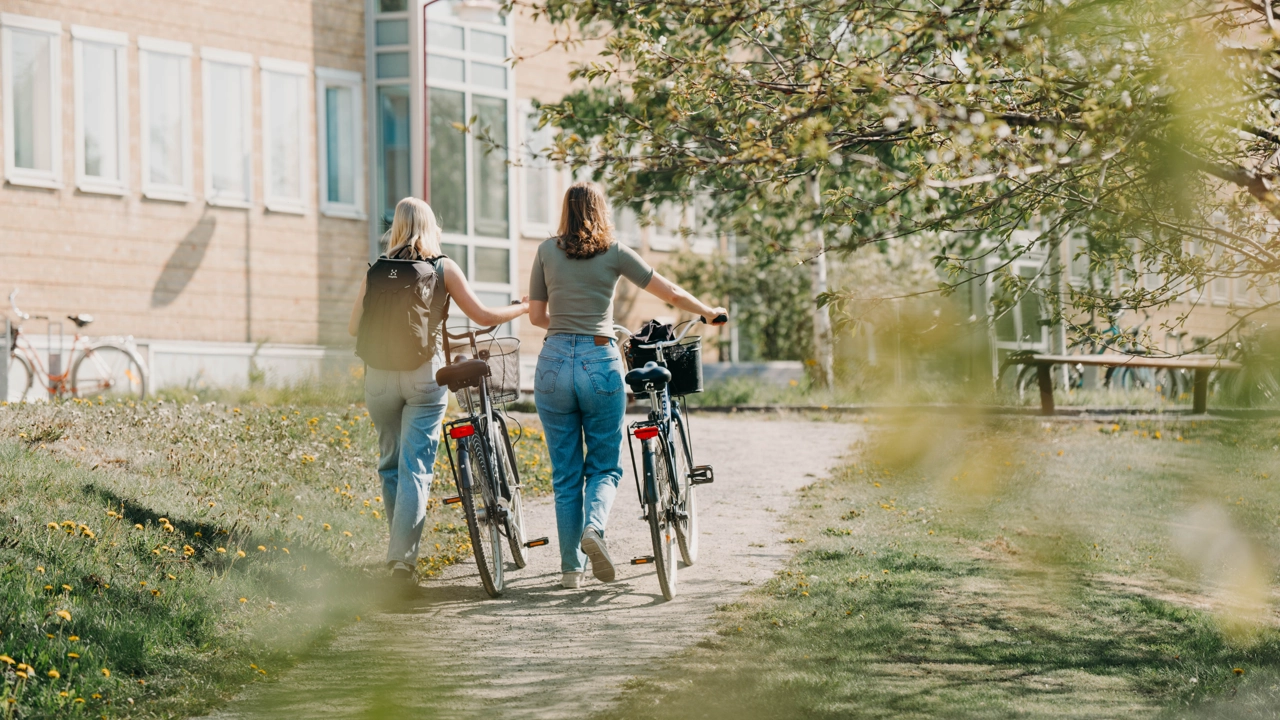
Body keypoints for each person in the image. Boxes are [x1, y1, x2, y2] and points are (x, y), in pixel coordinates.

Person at [529, 182, 727, 589]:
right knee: (603, 464)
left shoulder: (546, 251)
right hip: (599, 360)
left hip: (550, 363)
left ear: (566, 210)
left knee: (565, 474)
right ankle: (594, 529)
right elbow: (667, 290)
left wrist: (567, 330)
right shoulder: (614, 252)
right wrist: (707, 312)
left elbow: (536, 316)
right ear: (601, 210)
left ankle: (570, 572)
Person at [349, 197, 529, 583]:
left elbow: (353, 329)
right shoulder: (442, 267)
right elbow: (482, 316)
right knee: (415, 467)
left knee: (391, 466)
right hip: (423, 376)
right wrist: (520, 309)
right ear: (431, 226)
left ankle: (397, 554)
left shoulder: (377, 270)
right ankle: (401, 563)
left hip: (378, 378)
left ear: (395, 226)